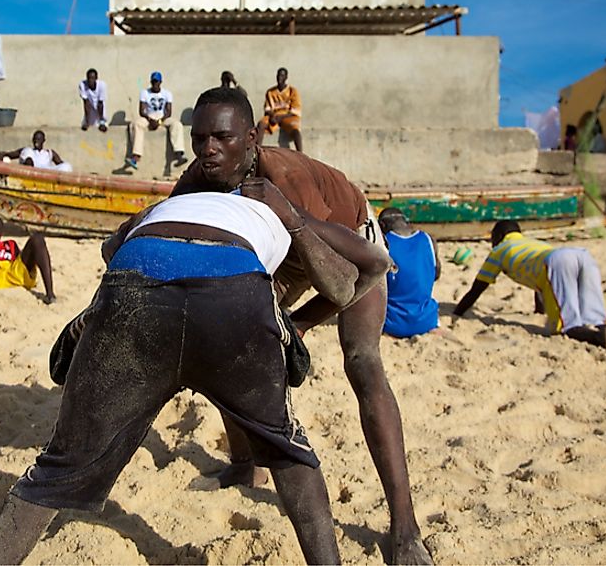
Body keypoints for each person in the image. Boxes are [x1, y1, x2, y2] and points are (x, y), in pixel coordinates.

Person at [0, 179, 367, 565]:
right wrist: (296, 302)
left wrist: (112, 309)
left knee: (58, 468)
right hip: (233, 294)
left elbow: (111, 248)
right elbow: (357, 277)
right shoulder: (278, 207)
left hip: (137, 280)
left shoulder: (172, 205)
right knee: (287, 449)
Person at [166, 87, 431, 565]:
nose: (208, 149)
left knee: (364, 365)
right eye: (199, 138)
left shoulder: (285, 180)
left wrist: (300, 323)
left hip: (343, 241)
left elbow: (347, 280)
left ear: (250, 139)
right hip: (281, 253)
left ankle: (406, 528)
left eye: (221, 137)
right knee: (226, 337)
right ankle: (245, 465)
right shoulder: (200, 176)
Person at [453, 220, 606, 349]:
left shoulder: (499, 251)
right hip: (580, 256)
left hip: (555, 263)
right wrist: (539, 310)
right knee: (594, 315)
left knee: (567, 326)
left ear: (499, 236)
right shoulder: (532, 243)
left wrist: (457, 312)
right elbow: (540, 285)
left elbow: (477, 288)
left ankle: (599, 339)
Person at [379, 207, 440, 338]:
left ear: (382, 226)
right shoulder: (429, 240)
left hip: (393, 323)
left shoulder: (384, 244)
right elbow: (436, 275)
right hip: (427, 321)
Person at [128, 71, 187, 170]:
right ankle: (136, 157)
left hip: (162, 117)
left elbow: (168, 112)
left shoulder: (167, 93)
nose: (155, 84)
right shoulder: (145, 93)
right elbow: (142, 111)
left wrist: (159, 121)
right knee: (136, 124)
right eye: (153, 82)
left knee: (177, 124)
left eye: (157, 82)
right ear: (151, 82)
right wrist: (150, 120)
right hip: (149, 117)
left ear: (160, 82)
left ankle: (179, 154)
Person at [257, 67, 303, 152]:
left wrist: (281, 118)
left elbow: (295, 110)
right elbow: (267, 109)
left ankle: (301, 154)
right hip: (274, 116)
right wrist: (272, 116)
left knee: (296, 131)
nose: (279, 78)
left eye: (282, 76)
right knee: (261, 124)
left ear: (286, 78)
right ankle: (256, 151)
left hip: (287, 116)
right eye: (278, 75)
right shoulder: (270, 92)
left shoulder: (292, 91)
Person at [0, 130, 72, 172]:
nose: (36, 141)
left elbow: (61, 164)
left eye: (39, 139)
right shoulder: (28, 151)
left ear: (43, 140)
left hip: (47, 172)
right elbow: (10, 155)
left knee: (67, 166)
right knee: (27, 153)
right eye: (35, 139)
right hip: (30, 171)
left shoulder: (49, 153)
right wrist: (2, 155)